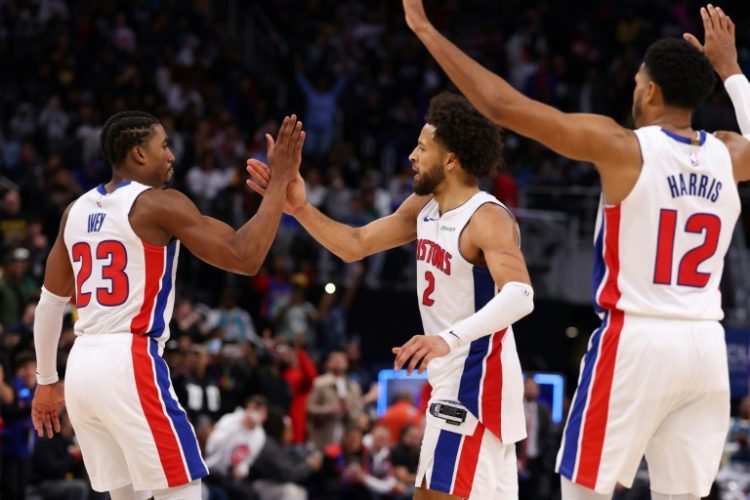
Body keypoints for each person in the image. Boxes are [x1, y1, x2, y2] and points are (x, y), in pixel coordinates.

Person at [400, 1, 750, 499]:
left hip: (638, 337)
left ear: (649, 89)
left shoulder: (625, 146)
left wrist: (425, 30)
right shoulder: (728, 152)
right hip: (707, 347)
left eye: (635, 82)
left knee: (582, 490)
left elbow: (503, 107)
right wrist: (732, 71)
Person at [246, 91, 535, 499]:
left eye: (422, 148)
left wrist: (444, 339)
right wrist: (300, 209)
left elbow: (521, 295)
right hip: (455, 384)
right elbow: (356, 244)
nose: (413, 157)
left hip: (474, 387)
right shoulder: (425, 207)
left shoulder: (486, 217)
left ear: (451, 159)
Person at [30, 110, 305, 500]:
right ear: (139, 154)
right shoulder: (157, 203)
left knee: (128, 496)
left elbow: (49, 303)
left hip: (81, 368)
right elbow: (245, 257)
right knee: (184, 490)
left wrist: (45, 381)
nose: (172, 155)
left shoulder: (74, 211)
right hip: (129, 359)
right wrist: (280, 181)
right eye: (164, 146)